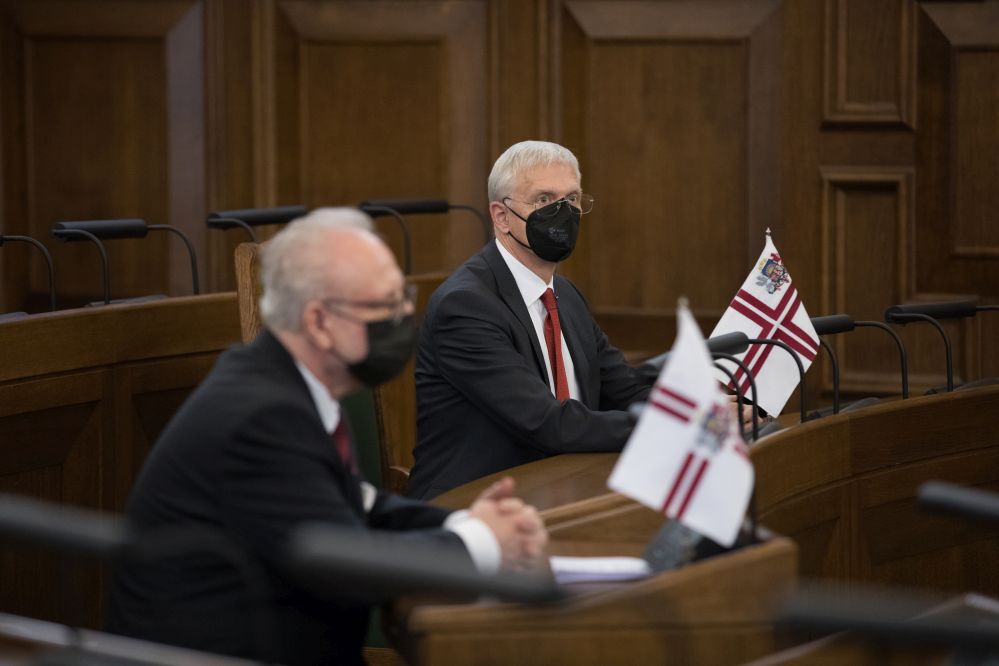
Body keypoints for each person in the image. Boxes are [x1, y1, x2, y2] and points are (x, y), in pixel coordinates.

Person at [107, 208, 547, 665]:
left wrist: (463, 523)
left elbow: (359, 505)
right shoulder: (262, 417)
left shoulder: (290, 386)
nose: (404, 316)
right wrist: (480, 542)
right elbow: (344, 564)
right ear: (318, 321)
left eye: (403, 298)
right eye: (384, 306)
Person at [408, 141, 657, 500]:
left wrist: (701, 412)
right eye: (544, 200)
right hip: (476, 501)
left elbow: (625, 389)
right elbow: (547, 423)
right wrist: (673, 426)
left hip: (564, 484)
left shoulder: (565, 295)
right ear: (501, 216)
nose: (563, 213)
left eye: (572, 199)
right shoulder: (465, 306)